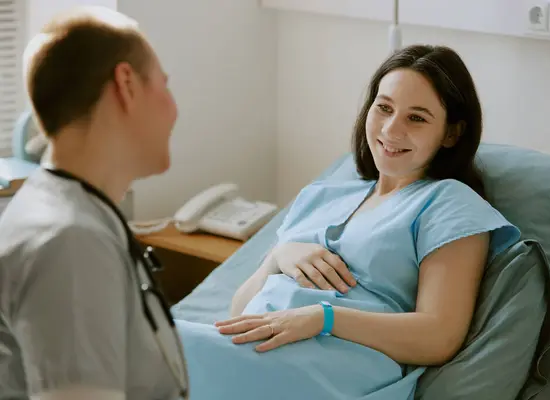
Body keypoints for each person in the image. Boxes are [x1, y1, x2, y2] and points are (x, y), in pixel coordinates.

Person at [173, 45, 521, 399]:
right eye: (383, 108)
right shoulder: (321, 196)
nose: (391, 129)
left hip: (335, 368)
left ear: (451, 133)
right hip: (255, 352)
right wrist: (278, 256)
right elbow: (239, 311)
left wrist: (322, 318)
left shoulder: (449, 203)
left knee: (150, 345)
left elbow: (439, 335)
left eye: (416, 118)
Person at [0, 6, 189, 400]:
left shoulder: (68, 211)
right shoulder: (70, 243)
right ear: (127, 84)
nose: (175, 109)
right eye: (165, 85)